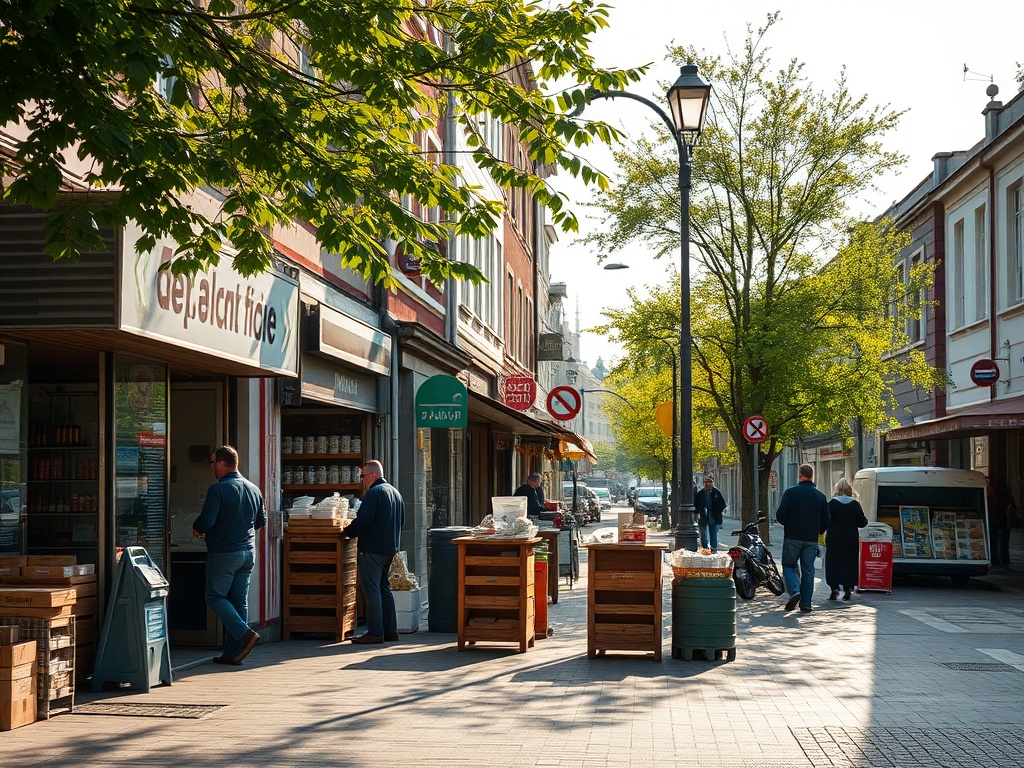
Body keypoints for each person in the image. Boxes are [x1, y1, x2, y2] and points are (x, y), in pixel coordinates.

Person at [193, 445, 266, 665]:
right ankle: (234, 653)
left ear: (223, 463)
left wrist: (197, 530)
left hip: (225, 552)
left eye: (213, 462)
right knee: (238, 601)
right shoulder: (253, 488)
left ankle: (244, 634)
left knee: (215, 597)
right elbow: (261, 522)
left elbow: (206, 522)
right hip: (247, 553)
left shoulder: (218, 489)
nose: (212, 466)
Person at [343, 460, 405, 644]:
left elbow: (363, 521)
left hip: (372, 549)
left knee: (372, 589)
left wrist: (347, 532)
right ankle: (390, 630)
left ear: (372, 475)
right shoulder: (395, 492)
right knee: (384, 587)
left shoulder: (374, 493)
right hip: (389, 548)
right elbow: (402, 521)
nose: (361, 480)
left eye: (362, 476)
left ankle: (376, 632)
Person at [776, 463, 830, 614]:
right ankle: (806, 604)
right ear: (812, 476)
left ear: (799, 475)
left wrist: (789, 523)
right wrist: (818, 530)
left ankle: (794, 591)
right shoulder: (820, 496)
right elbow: (827, 520)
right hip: (811, 539)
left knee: (788, 565)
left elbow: (780, 516)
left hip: (792, 537)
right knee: (808, 570)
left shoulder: (790, 493)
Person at [825, 477, 868, 601]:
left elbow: (826, 520)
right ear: (850, 490)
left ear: (837, 490)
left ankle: (834, 588)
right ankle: (848, 588)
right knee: (849, 562)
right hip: (850, 538)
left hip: (834, 538)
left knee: (833, 563)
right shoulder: (854, 504)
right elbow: (863, 522)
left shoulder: (831, 504)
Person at [986, 474, 1015, 570]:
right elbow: (1012, 504)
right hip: (1004, 519)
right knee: (1004, 542)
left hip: (993, 519)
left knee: (993, 541)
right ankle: (1004, 561)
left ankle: (996, 561)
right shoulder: (1005, 491)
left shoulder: (990, 490)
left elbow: (988, 505)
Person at [694, 475, 727, 551]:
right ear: (704, 485)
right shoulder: (701, 493)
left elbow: (722, 504)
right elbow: (696, 504)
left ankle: (713, 548)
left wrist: (717, 510)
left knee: (713, 534)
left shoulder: (716, 492)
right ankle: (705, 548)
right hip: (703, 515)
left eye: (710, 485)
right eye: (706, 485)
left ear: (712, 485)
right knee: (703, 534)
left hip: (714, 515)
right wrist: (700, 510)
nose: (708, 487)